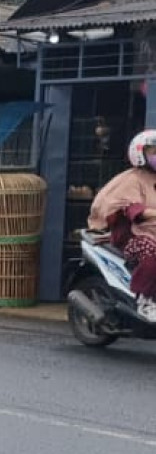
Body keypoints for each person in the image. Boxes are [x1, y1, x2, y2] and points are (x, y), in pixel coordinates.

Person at [89, 130, 156, 318]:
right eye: (153, 151)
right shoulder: (131, 180)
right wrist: (148, 213)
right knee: (152, 252)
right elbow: (131, 209)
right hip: (132, 236)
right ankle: (145, 299)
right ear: (140, 153)